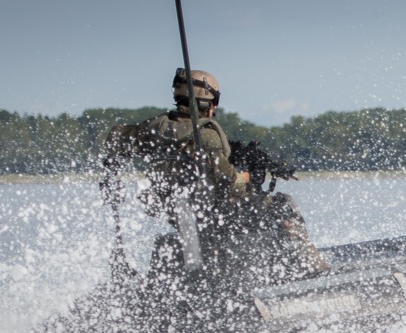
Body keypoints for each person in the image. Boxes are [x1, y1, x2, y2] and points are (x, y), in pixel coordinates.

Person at [102, 68, 327, 281]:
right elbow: (230, 183)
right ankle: (310, 267)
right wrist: (250, 176)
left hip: (175, 210)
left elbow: (115, 137)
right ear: (211, 103)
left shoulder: (152, 130)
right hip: (212, 211)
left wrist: (112, 171)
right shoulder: (205, 136)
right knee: (282, 205)